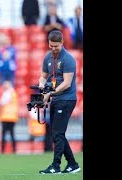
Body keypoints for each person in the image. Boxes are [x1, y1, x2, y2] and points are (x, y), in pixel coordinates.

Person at [38, 30, 80, 174]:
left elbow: (67, 83)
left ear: (62, 43)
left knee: (57, 133)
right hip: (56, 98)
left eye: (56, 46)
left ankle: (56, 165)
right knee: (58, 133)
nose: (54, 49)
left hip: (67, 98)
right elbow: (43, 76)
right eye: (51, 46)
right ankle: (73, 164)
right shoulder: (48, 57)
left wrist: (49, 93)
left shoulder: (68, 59)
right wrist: (42, 87)